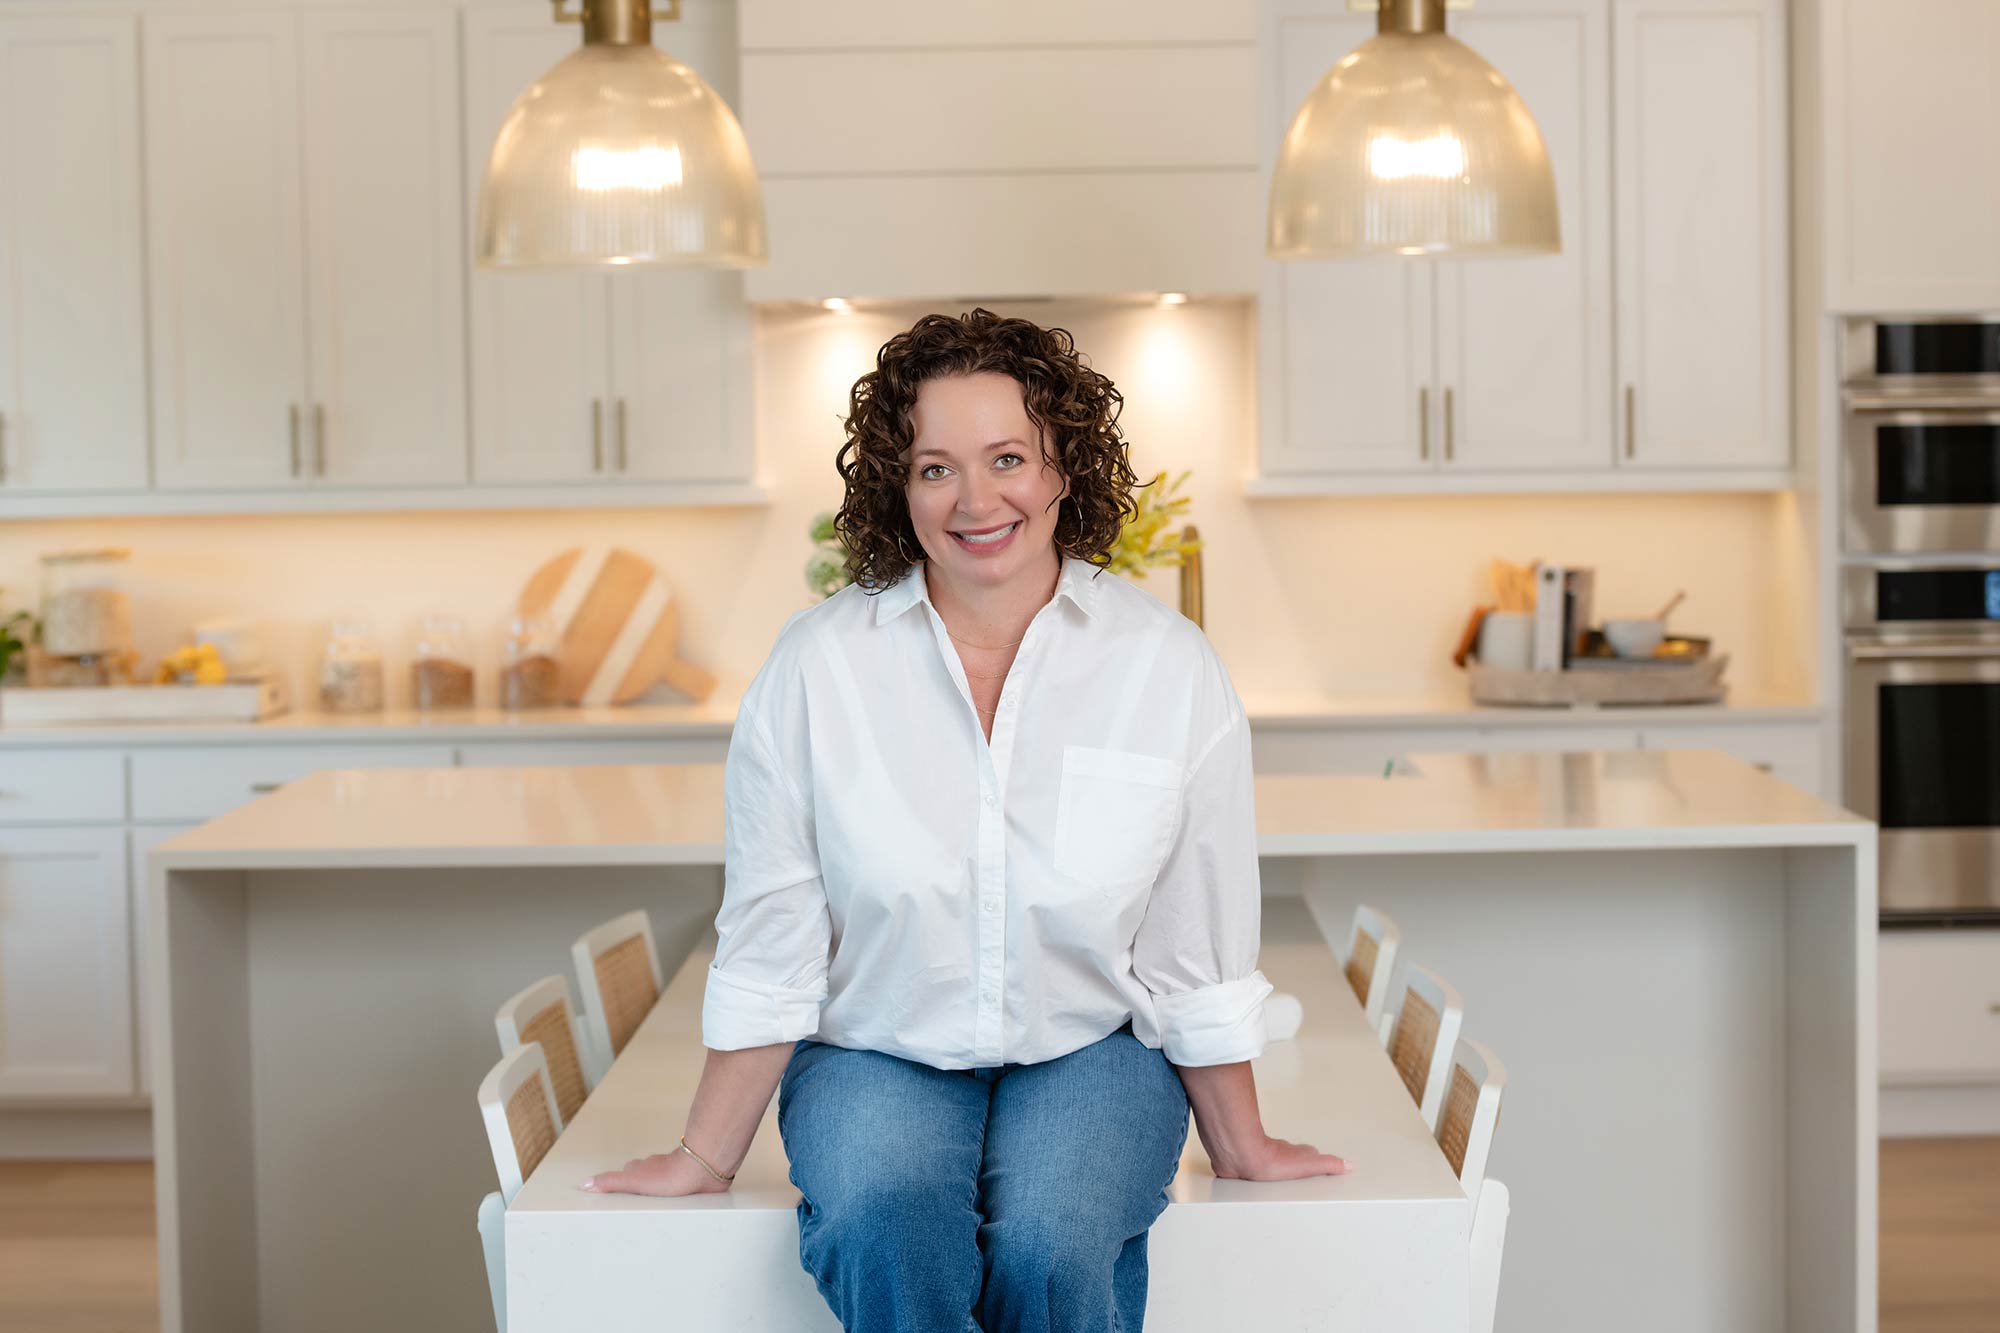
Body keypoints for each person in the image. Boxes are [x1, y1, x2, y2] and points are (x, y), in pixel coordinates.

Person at [580, 308, 1348, 1331]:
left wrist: (1241, 1142)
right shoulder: (816, 669)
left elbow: (1189, 942)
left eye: (1007, 458)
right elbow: (773, 938)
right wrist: (703, 1155)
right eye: (935, 467)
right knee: (885, 1222)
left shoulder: (1166, 669)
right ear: (896, 488)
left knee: (1052, 1242)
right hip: (875, 1050)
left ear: (1064, 467)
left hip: (1090, 1047)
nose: (976, 500)